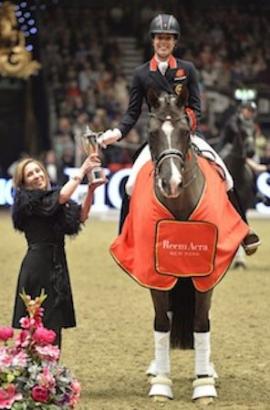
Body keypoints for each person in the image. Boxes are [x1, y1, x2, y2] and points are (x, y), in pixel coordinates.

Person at [97, 13, 260, 254]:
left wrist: (184, 126)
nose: (164, 42)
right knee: (131, 184)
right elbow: (132, 113)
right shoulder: (141, 74)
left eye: (169, 38)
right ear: (153, 40)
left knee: (226, 175)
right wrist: (116, 133)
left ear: (175, 42)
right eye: (159, 38)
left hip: (185, 134)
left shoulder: (187, 69)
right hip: (158, 139)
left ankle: (243, 231)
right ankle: (125, 238)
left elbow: (196, 107)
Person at [11, 154, 106, 348]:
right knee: (35, 321)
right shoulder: (26, 200)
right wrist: (82, 170)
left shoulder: (53, 199)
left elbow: (80, 216)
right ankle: (33, 371)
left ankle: (49, 374)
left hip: (57, 266)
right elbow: (61, 197)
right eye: (30, 174)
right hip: (37, 267)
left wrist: (90, 190)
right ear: (23, 182)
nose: (37, 175)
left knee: (55, 322)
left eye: (38, 170)